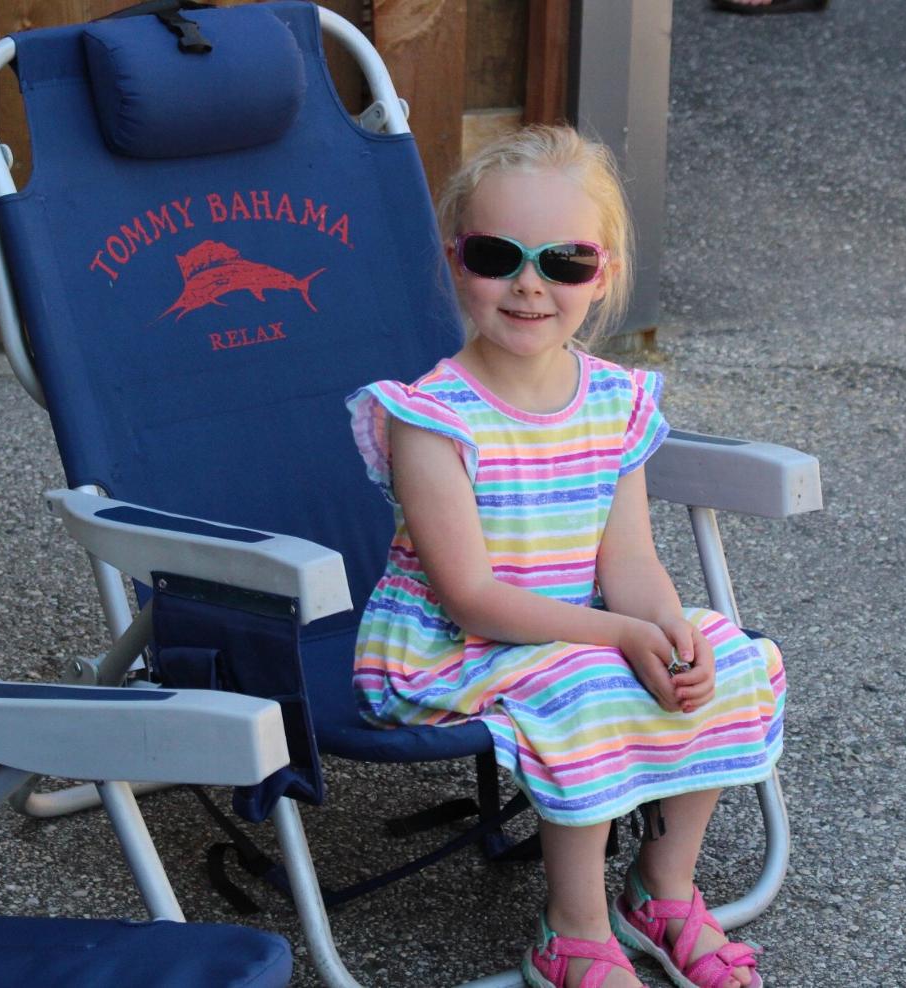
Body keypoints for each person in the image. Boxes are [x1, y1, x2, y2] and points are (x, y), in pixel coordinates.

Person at [346, 125, 782, 988]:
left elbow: (630, 563)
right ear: (454, 259)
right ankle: (572, 931)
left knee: (728, 655)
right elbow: (470, 599)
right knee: (583, 685)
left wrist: (665, 630)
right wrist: (620, 637)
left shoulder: (614, 400)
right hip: (449, 651)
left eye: (565, 262)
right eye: (496, 254)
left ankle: (660, 890)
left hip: (574, 627)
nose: (529, 285)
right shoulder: (431, 418)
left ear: (604, 272)